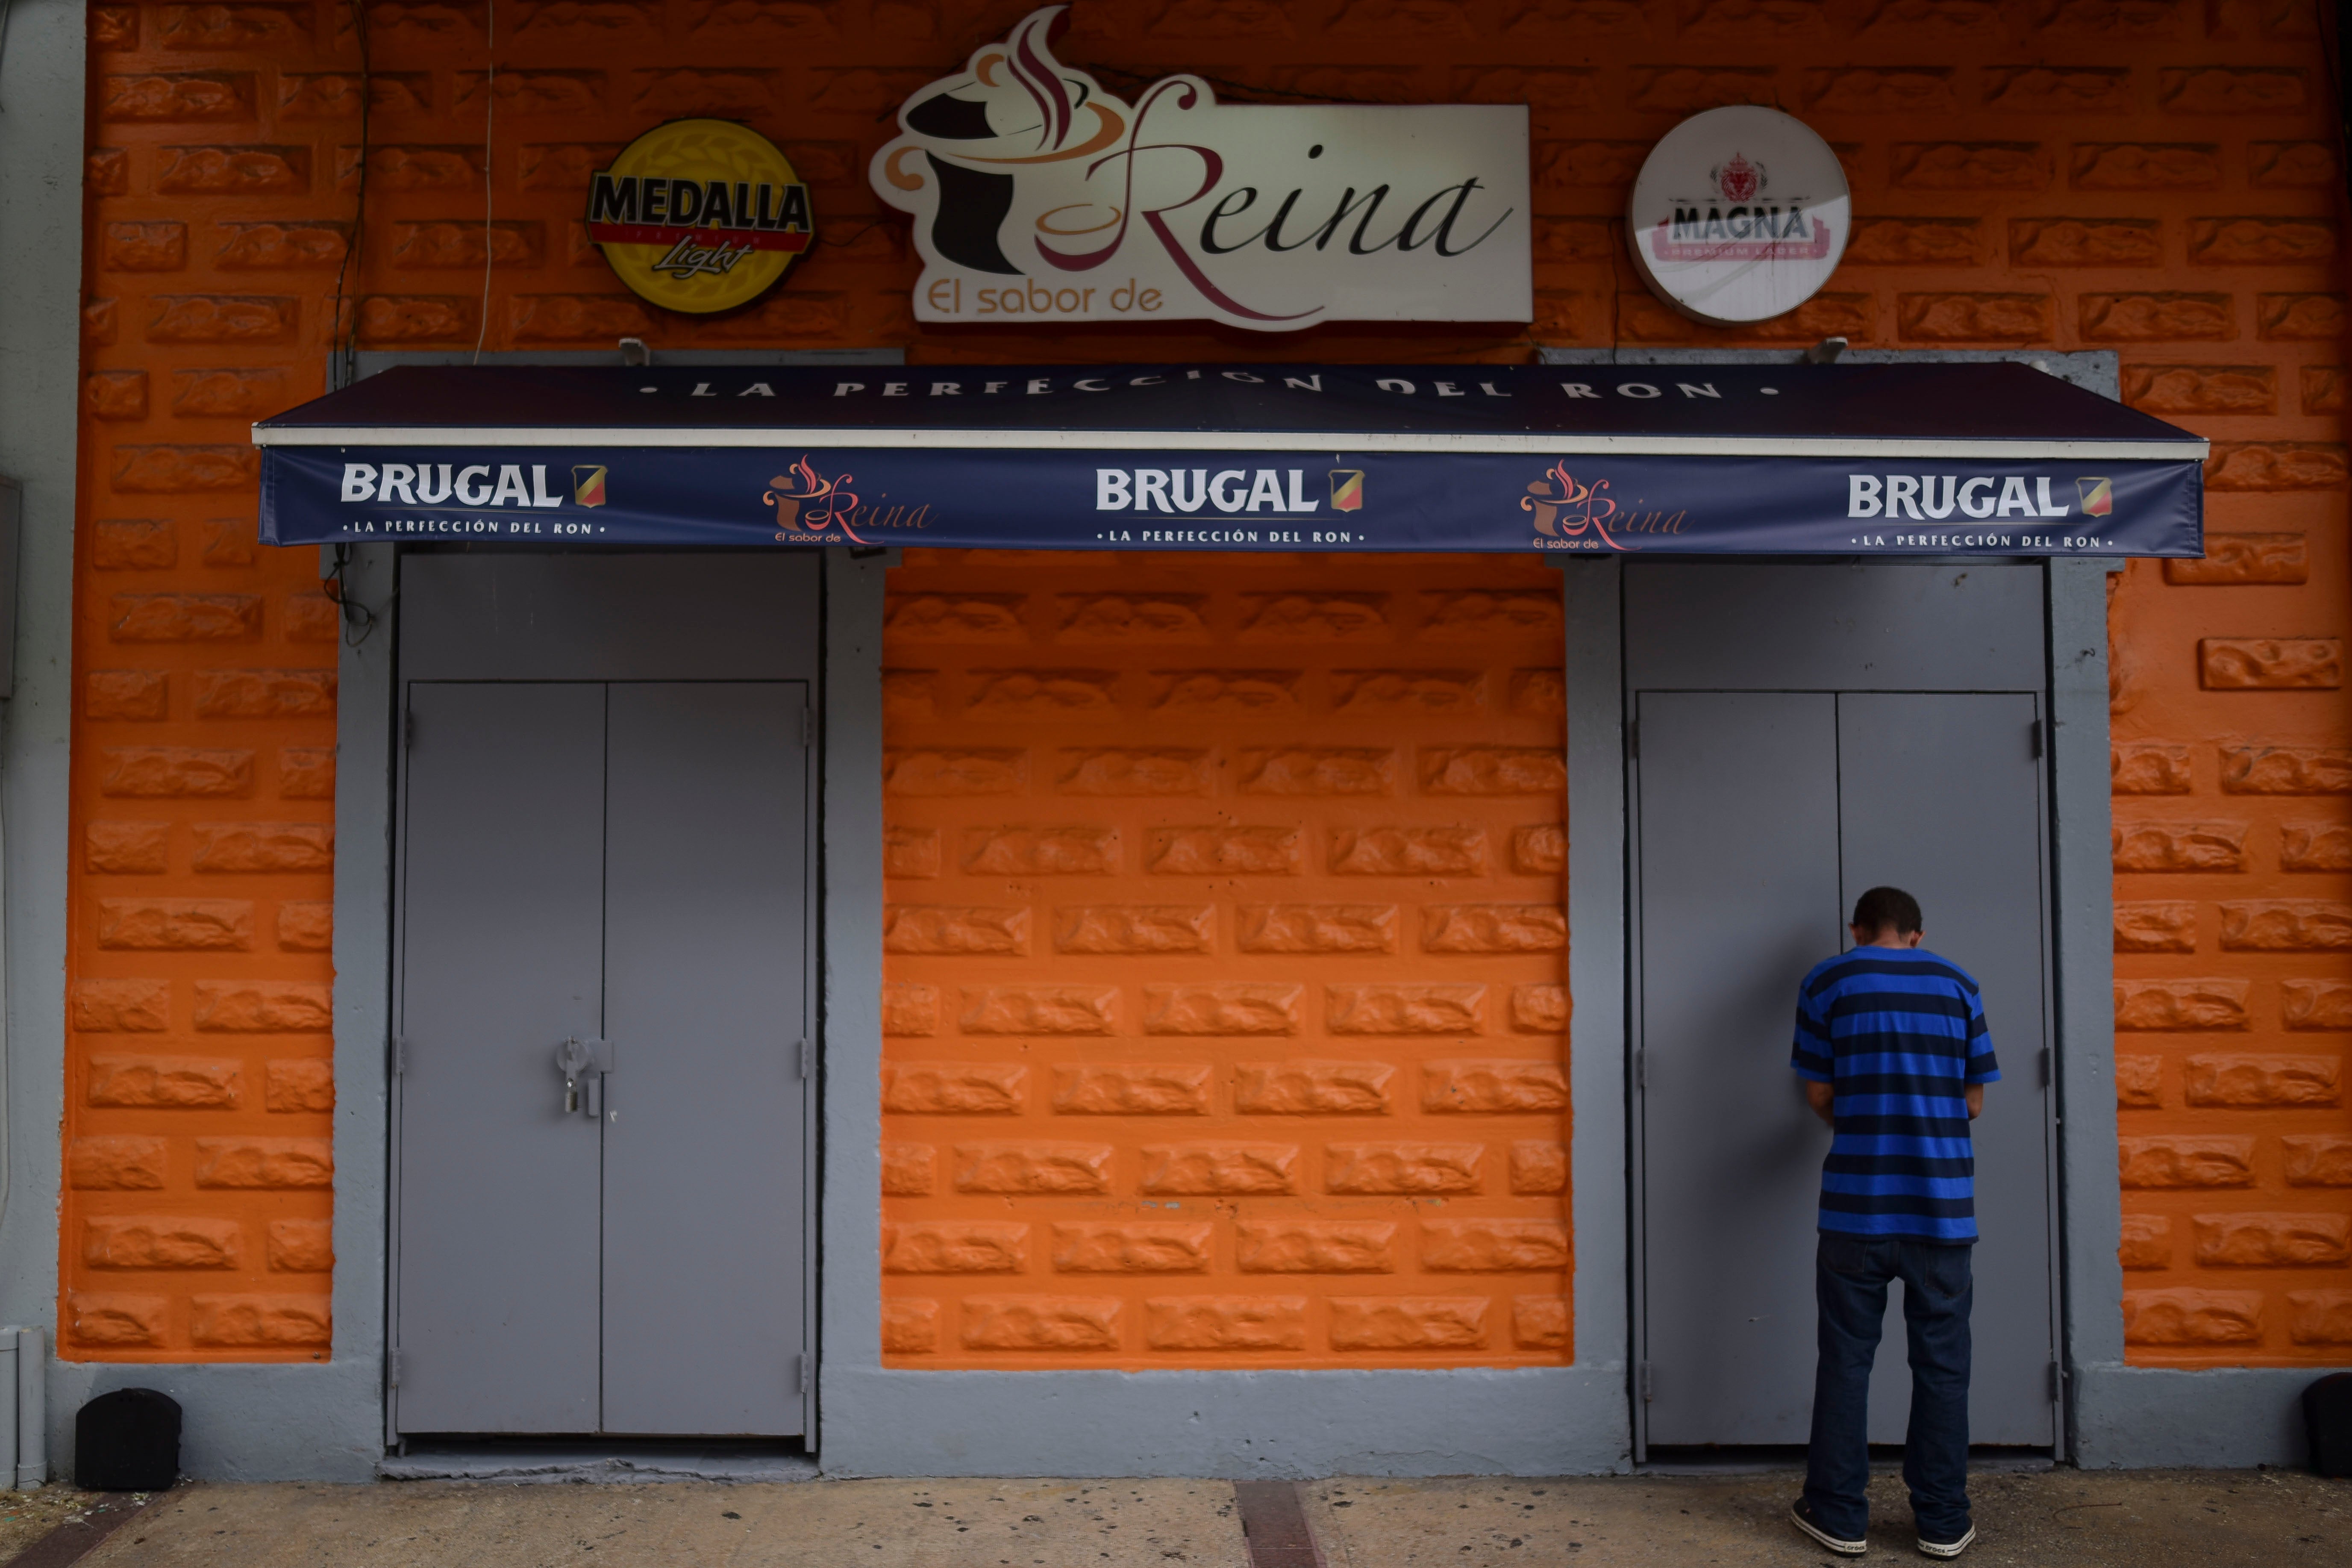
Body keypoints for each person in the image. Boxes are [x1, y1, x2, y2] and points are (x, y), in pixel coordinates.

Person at [1787, 886, 1999, 1562]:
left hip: (1855, 1209)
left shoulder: (1826, 980)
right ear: (1916, 933)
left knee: (1846, 1361)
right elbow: (1973, 1101)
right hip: (1942, 1212)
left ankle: (1839, 1514)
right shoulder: (1960, 984)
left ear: (1858, 928)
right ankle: (1942, 1521)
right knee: (1943, 1366)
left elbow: (1819, 1092)